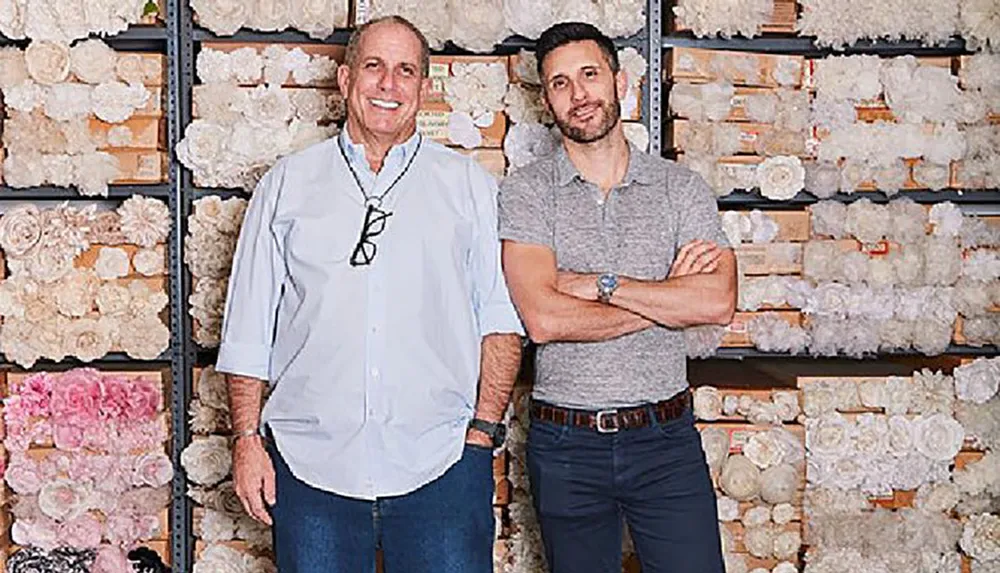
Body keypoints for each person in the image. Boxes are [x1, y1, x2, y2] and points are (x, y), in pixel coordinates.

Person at [214, 15, 524, 573]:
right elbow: (247, 328)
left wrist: (481, 437)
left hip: (442, 466)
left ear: (424, 89)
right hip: (310, 472)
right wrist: (246, 439)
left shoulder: (469, 187)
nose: (389, 84)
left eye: (406, 71)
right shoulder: (287, 184)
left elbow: (500, 321)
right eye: (374, 67)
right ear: (344, 78)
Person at [497, 22, 737, 573]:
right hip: (566, 443)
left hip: (665, 439)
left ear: (621, 82)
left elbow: (717, 302)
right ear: (546, 101)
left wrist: (600, 285)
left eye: (589, 75)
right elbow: (542, 318)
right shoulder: (527, 192)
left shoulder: (681, 189)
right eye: (560, 84)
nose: (579, 95)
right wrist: (668, 298)